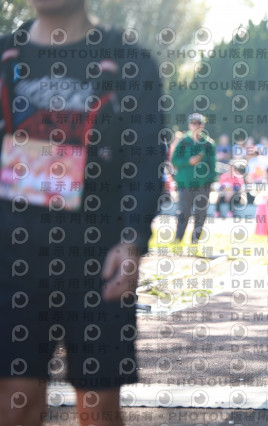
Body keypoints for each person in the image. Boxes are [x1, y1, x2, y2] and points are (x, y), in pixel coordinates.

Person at [0, 1, 165, 424]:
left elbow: (146, 161)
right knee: (15, 403)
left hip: (98, 255)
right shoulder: (5, 56)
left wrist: (132, 241)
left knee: (98, 409)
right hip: (11, 257)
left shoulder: (130, 60)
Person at [171, 113, 217, 244]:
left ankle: (195, 240)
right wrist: (189, 161)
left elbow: (212, 165)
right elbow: (174, 160)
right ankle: (178, 238)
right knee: (183, 211)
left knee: (201, 213)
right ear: (189, 125)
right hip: (185, 183)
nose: (195, 125)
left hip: (203, 184)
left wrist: (209, 182)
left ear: (203, 125)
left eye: (198, 123)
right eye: (193, 123)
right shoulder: (183, 142)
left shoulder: (208, 144)